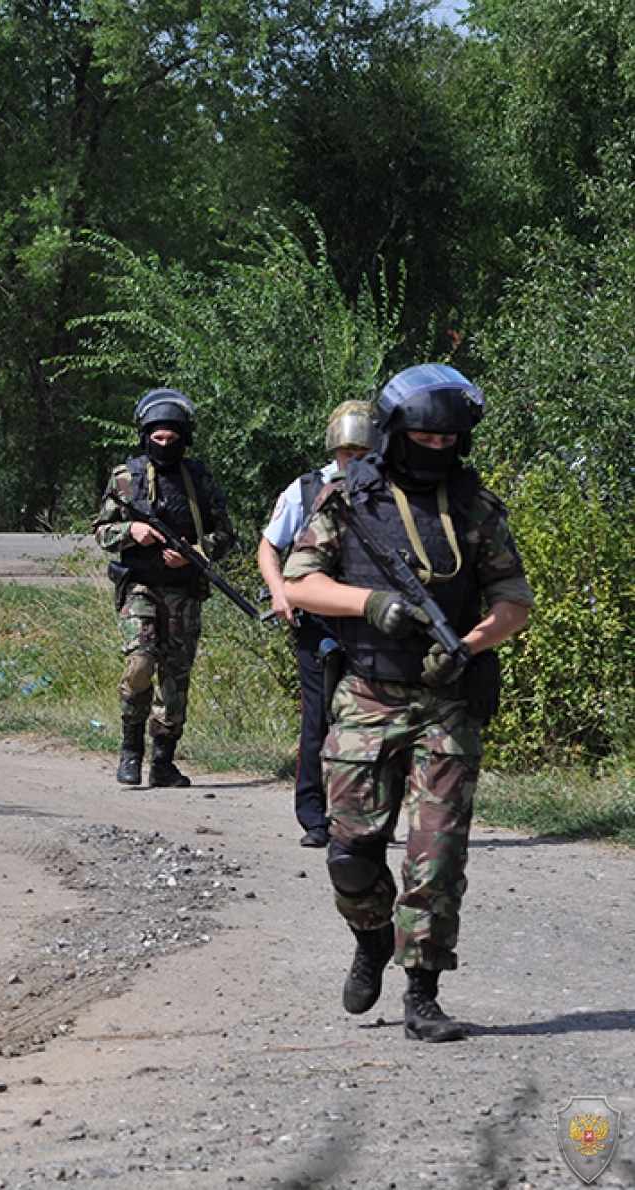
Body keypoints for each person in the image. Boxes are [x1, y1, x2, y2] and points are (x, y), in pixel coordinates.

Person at [284, 363, 532, 1043]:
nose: (437, 449)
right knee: (351, 856)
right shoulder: (348, 501)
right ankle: (370, 937)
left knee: (436, 854)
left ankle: (423, 991)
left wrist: (471, 645)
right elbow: (301, 582)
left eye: (449, 440)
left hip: (447, 701)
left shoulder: (475, 507)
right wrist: (373, 604)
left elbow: (514, 601)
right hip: (366, 697)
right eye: (423, 437)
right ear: (396, 433)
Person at [95, 388, 237, 788]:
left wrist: (196, 551)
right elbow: (102, 530)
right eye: (157, 438)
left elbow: (226, 533)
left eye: (171, 438)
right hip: (139, 585)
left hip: (185, 591)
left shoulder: (199, 479)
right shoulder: (126, 478)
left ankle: (162, 761)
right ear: (145, 436)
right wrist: (131, 531)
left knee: (176, 678)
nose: (164, 444)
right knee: (139, 666)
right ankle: (130, 752)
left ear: (184, 437)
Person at [257, 401, 376, 848]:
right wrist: (280, 590)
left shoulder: (391, 490)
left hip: (372, 619)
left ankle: (362, 814)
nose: (355, 460)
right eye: (348, 452)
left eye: (364, 452)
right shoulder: (307, 489)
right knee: (318, 718)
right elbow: (270, 547)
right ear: (335, 449)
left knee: (370, 720)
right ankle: (314, 816)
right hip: (319, 622)